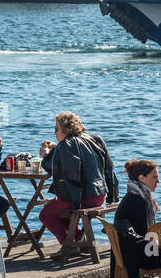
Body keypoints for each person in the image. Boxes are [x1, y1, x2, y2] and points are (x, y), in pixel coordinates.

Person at [39, 112, 118, 262]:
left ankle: (68, 245)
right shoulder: (94, 139)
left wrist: (47, 155)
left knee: (46, 214)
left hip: (81, 197)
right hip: (100, 194)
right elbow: (109, 167)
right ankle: (80, 242)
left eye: (56, 129)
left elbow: (53, 168)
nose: (54, 132)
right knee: (58, 209)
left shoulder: (66, 145)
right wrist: (57, 150)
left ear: (66, 130)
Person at [112, 158, 161, 278]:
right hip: (137, 256)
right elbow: (144, 234)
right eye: (154, 177)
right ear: (142, 178)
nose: (158, 181)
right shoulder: (138, 201)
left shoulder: (134, 195)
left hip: (131, 252)